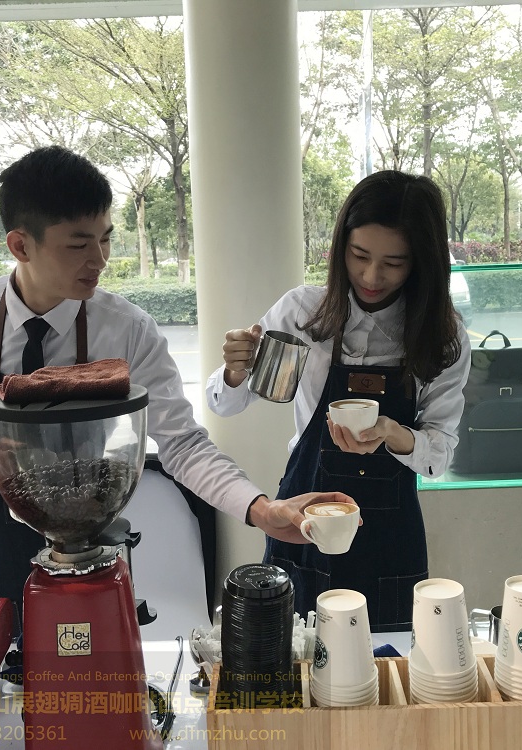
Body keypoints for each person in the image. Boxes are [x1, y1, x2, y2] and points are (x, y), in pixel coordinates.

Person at [0, 145, 351, 615]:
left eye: (106, 239)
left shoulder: (128, 329)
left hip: (90, 534)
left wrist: (260, 509)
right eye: (78, 245)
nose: (100, 259)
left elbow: (182, 443)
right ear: (20, 246)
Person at [205, 170, 471, 632]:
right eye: (359, 255)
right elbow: (225, 405)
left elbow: (440, 454)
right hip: (303, 516)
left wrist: (394, 434)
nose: (371, 276)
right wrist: (234, 371)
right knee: (291, 655)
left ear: (422, 262)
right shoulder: (302, 313)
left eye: (394, 262)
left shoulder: (440, 335)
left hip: (389, 534)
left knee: (388, 660)